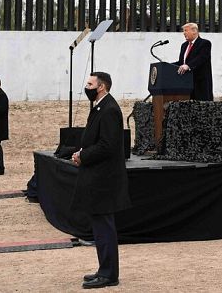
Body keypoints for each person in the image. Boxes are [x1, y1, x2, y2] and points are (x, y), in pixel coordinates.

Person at [71, 72, 131, 289]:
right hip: (97, 177)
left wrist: (83, 156)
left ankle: (109, 274)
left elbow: (108, 145)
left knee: (104, 228)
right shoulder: (100, 107)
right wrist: (81, 152)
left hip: (104, 180)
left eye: (90, 84)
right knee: (99, 228)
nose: (86, 87)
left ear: (102, 87)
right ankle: (104, 268)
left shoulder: (109, 110)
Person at [174, 22, 213, 101]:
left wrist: (188, 66)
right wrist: (165, 65)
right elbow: (182, 63)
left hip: (200, 84)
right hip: (186, 84)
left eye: (186, 30)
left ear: (194, 31)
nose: (183, 33)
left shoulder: (205, 43)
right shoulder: (184, 45)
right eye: (183, 31)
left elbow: (201, 58)